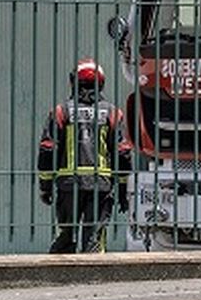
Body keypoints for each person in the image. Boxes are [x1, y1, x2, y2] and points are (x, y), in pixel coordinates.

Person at [36, 58, 134, 253]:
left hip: (68, 186)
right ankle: (93, 280)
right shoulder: (113, 113)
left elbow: (48, 150)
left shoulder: (61, 111)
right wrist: (123, 190)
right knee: (94, 242)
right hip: (101, 186)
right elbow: (122, 153)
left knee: (65, 236)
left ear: (74, 82)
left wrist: (45, 187)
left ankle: (60, 278)